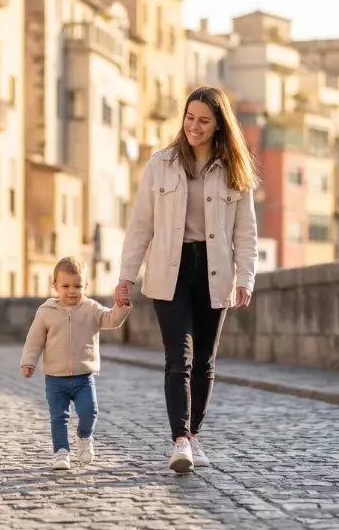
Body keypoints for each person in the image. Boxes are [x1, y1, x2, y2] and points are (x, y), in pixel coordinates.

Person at [116, 86, 258, 473]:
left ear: (218, 126)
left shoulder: (234, 169)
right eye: (189, 117)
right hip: (169, 268)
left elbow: (245, 232)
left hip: (214, 270)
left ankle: (193, 435)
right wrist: (126, 277)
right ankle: (180, 439)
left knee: (204, 362)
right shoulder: (159, 164)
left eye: (204, 121)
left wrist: (245, 277)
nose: (194, 126)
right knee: (178, 356)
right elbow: (140, 226)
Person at [21, 257, 132, 470]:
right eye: (66, 286)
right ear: (55, 286)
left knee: (90, 411)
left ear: (86, 286)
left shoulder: (91, 308)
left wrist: (121, 306)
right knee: (58, 417)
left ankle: (84, 437)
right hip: (55, 377)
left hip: (83, 376)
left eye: (78, 286)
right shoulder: (46, 312)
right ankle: (61, 452)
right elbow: (34, 340)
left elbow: (111, 320)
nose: (72, 291)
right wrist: (28, 362)